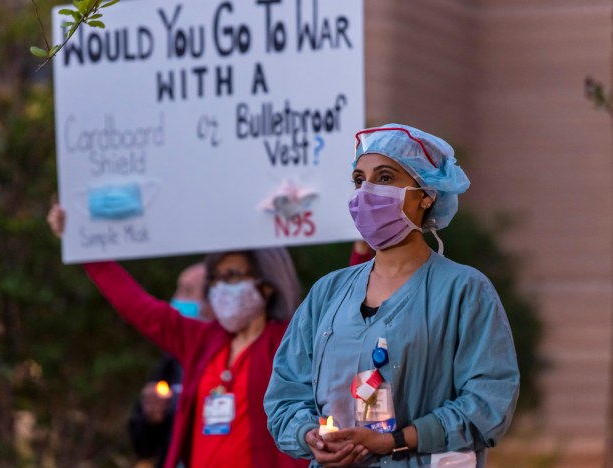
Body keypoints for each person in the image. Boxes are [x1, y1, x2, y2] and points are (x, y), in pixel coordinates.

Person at [264, 124, 520, 467]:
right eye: (359, 180)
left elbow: (489, 401)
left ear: (426, 193)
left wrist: (392, 442)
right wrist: (310, 436)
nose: (366, 192)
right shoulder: (328, 293)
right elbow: (286, 394)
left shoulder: (464, 291)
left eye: (384, 178)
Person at [47, 204, 308, 468]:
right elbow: (136, 306)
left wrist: (355, 252)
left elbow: (346, 319)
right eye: (215, 279)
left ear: (266, 284)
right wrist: (81, 242)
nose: (220, 288)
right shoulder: (202, 340)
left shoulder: (289, 341)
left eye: (232, 275)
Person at [128, 262, 213, 468]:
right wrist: (150, 417)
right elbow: (144, 447)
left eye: (187, 291)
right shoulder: (171, 362)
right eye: (178, 289)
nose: (176, 299)